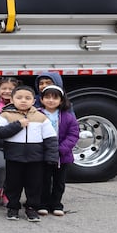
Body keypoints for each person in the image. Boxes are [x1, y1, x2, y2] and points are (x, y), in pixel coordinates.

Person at [0, 85, 58, 222]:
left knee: (34, 185)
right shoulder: (5, 115)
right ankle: (13, 207)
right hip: (14, 157)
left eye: (27, 98)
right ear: (12, 99)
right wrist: (18, 125)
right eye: (19, 97)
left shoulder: (41, 117)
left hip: (36, 159)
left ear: (34, 101)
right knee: (13, 184)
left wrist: (51, 157)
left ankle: (32, 208)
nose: (23, 101)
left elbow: (51, 139)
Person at [37, 85, 79, 216]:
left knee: (59, 182)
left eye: (55, 98)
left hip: (62, 156)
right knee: (43, 180)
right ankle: (42, 204)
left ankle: (56, 204)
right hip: (43, 154)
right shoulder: (37, 114)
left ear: (61, 100)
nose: (51, 100)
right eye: (47, 97)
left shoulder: (68, 116)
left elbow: (73, 135)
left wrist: (61, 149)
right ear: (42, 99)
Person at [0, 77, 21, 207]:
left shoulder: (20, 104)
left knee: (12, 169)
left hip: (14, 144)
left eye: (10, 89)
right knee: (1, 166)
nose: (6, 91)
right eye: (3, 88)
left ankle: (7, 192)